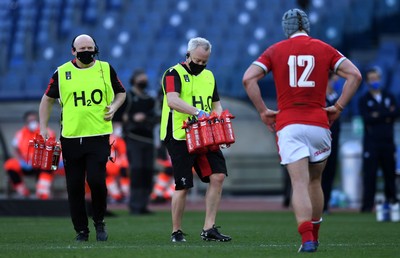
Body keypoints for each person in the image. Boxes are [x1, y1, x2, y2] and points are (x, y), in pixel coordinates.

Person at [242, 9, 361, 252]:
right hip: (318, 123)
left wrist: (264, 111)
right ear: (307, 26)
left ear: (286, 29)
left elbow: (248, 79)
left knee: (299, 184)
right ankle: (315, 236)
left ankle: (306, 239)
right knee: (315, 181)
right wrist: (337, 107)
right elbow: (355, 75)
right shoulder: (323, 48)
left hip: (289, 123)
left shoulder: (275, 50)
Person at [38, 34, 126, 242]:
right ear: (73, 51)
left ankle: (99, 221)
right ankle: (81, 230)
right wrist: (43, 127)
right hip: (71, 137)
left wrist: (113, 107)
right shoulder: (62, 72)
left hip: (98, 135)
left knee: (96, 180)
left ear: (96, 48)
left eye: (90, 47)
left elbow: (121, 93)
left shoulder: (106, 68)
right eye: (82, 48)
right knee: (74, 186)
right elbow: (47, 99)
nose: (86, 51)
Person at [160, 37, 232, 242]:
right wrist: (198, 112)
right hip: (179, 134)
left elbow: (216, 104)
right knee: (183, 184)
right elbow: (172, 100)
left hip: (204, 133)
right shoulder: (173, 73)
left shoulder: (209, 76)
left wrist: (218, 119)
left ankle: (209, 228)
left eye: (204, 62)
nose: (200, 65)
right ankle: (176, 231)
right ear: (188, 55)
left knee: (218, 176)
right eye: (197, 61)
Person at [359, 66, 399, 213]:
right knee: (370, 175)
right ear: (368, 81)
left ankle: (393, 202)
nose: (374, 81)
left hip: (388, 142)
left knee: (390, 174)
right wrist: (386, 115)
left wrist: (378, 115)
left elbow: (395, 113)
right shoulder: (364, 99)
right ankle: (367, 206)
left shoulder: (390, 96)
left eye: (376, 78)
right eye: (371, 79)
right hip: (371, 143)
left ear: (380, 79)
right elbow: (367, 118)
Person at [121, 68, 157, 215]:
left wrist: (147, 119)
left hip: (148, 138)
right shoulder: (128, 96)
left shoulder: (150, 99)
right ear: (134, 79)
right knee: (136, 170)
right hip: (133, 138)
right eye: (140, 78)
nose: (144, 81)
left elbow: (155, 116)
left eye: (145, 78)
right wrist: (132, 118)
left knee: (147, 172)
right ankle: (134, 205)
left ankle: (143, 205)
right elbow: (119, 116)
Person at [3, 110, 60, 200]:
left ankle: (42, 193)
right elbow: (16, 148)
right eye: (30, 120)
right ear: (26, 122)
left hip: (42, 163)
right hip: (26, 164)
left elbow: (53, 147)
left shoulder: (46, 131)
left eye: (34, 120)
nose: (32, 122)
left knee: (49, 165)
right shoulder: (20, 133)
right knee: (10, 164)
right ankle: (23, 192)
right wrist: (20, 159)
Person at [322, 73, 342, 213]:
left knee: (330, 172)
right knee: (318, 174)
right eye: (333, 78)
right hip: (320, 141)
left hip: (334, 141)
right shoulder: (319, 98)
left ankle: (325, 204)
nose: (336, 81)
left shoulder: (337, 98)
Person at [106, 121, 130, 203]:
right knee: (109, 177)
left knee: (123, 176)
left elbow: (123, 154)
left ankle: (120, 195)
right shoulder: (115, 139)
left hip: (115, 164)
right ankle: (117, 195)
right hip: (111, 164)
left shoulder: (118, 140)